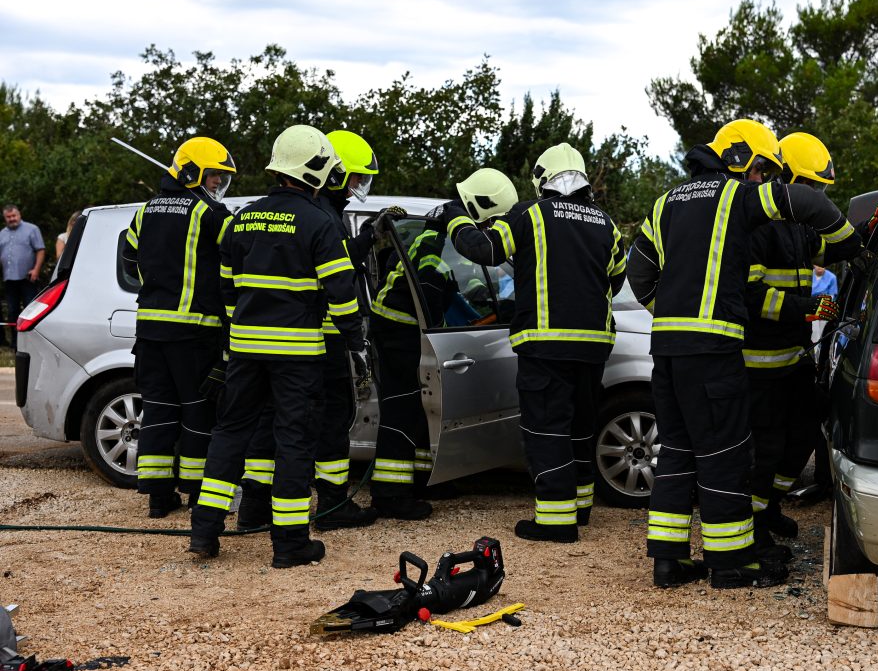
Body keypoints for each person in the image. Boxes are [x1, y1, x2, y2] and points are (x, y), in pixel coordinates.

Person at [626, 119, 869, 590]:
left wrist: (675, 313)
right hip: (714, 351)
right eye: (764, 170)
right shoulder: (737, 196)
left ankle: (669, 562)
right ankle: (730, 565)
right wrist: (854, 244)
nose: (765, 179)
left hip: (669, 350)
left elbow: (640, 275)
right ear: (745, 162)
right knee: (725, 456)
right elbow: (808, 202)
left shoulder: (666, 201)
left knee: (676, 452)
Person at [189, 124, 367, 568]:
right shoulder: (320, 222)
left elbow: (225, 287)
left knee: (230, 434)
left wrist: (239, 333)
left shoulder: (243, 216)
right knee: (294, 440)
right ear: (316, 171)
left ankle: (204, 532)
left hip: (245, 352)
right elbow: (341, 292)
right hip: (298, 354)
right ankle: (289, 545)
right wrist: (355, 341)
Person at [442, 147, 626, 543]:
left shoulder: (529, 214)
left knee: (546, 429)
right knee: (580, 428)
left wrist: (454, 216)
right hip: (594, 345)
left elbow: (485, 250)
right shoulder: (606, 224)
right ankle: (580, 508)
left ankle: (556, 521)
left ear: (544, 179)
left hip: (545, 344)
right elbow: (616, 280)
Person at [233, 130, 381, 531]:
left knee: (268, 420)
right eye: (353, 178)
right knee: (331, 420)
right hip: (322, 339)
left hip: (263, 342)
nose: (356, 188)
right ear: (333, 173)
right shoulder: (322, 216)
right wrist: (356, 340)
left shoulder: (305, 211)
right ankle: (332, 504)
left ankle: (254, 507)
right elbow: (337, 281)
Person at [366, 168, 518, 519]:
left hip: (402, 329)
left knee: (417, 409)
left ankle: (423, 479)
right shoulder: (433, 241)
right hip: (397, 331)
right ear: (479, 208)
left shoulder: (438, 237)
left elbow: (449, 287)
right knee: (401, 411)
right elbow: (432, 292)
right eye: (491, 219)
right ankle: (389, 495)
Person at [120, 141, 234, 517]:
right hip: (194, 332)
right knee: (198, 412)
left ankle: (157, 496)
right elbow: (233, 264)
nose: (218, 182)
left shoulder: (146, 210)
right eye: (214, 175)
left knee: (158, 411)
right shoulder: (210, 213)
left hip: (150, 331)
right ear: (191, 172)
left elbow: (129, 253)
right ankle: (196, 491)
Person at [743, 132, 842, 552]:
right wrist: (812, 308)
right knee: (766, 449)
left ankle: (770, 505)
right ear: (790, 181)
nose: (817, 196)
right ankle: (753, 522)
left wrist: (866, 232)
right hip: (759, 364)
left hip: (794, 360)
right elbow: (753, 299)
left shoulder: (800, 229)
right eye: (813, 188)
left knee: (802, 436)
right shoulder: (755, 225)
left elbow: (833, 247)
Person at [1, 205, 45, 348]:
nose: (11, 219)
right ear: (4, 218)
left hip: (28, 278)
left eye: (14, 216)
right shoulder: (2, 233)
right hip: (9, 278)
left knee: (30, 310)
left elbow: (40, 250)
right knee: (12, 311)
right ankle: (15, 343)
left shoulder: (32, 229)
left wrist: (36, 270)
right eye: (8, 217)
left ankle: (32, 343)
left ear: (19, 214)